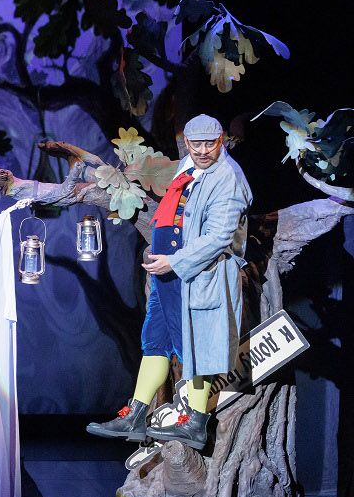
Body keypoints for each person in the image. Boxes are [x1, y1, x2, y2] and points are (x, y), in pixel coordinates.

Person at [87, 114, 251, 450]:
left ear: (220, 140)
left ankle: (195, 421)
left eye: (210, 144)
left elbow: (218, 236)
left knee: (196, 344)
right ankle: (136, 414)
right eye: (196, 144)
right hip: (169, 271)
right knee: (155, 339)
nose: (202, 151)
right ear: (187, 143)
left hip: (197, 274)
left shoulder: (227, 177)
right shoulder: (190, 165)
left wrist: (174, 260)